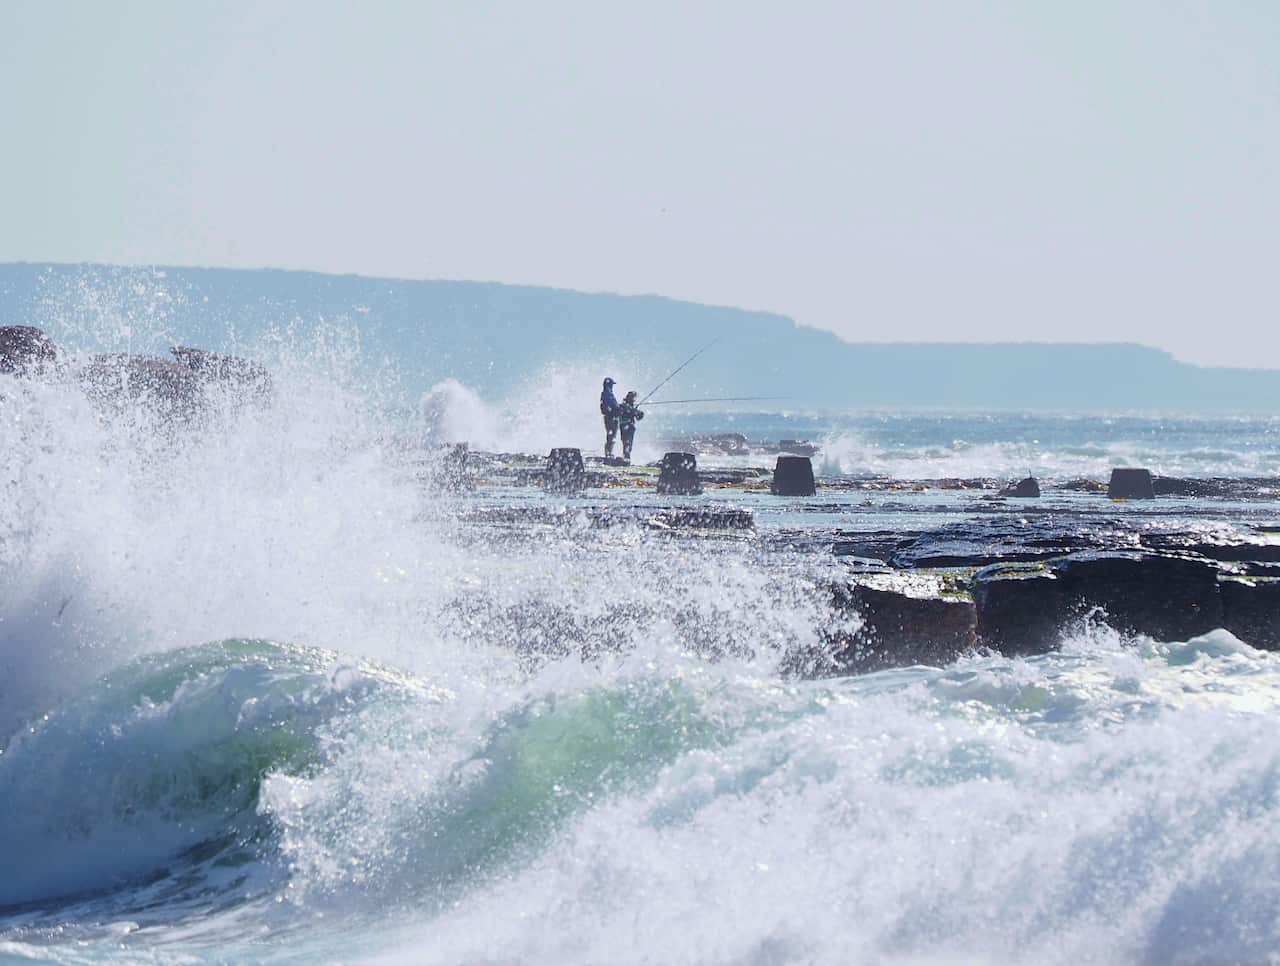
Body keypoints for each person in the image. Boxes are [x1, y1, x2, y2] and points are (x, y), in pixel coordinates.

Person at [617, 390, 645, 461]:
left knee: (627, 443)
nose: (634, 400)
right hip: (627, 426)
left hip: (626, 426)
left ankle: (626, 457)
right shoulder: (625, 406)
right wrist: (637, 412)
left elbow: (637, 416)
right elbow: (633, 413)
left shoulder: (626, 406)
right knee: (627, 443)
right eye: (633, 398)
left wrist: (638, 413)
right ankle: (626, 458)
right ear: (630, 398)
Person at [599, 377, 619, 457]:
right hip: (611, 418)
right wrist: (617, 409)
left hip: (609, 417)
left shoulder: (606, 393)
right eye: (611, 384)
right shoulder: (607, 394)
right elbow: (611, 406)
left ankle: (608, 453)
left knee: (611, 436)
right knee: (611, 436)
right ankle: (608, 454)